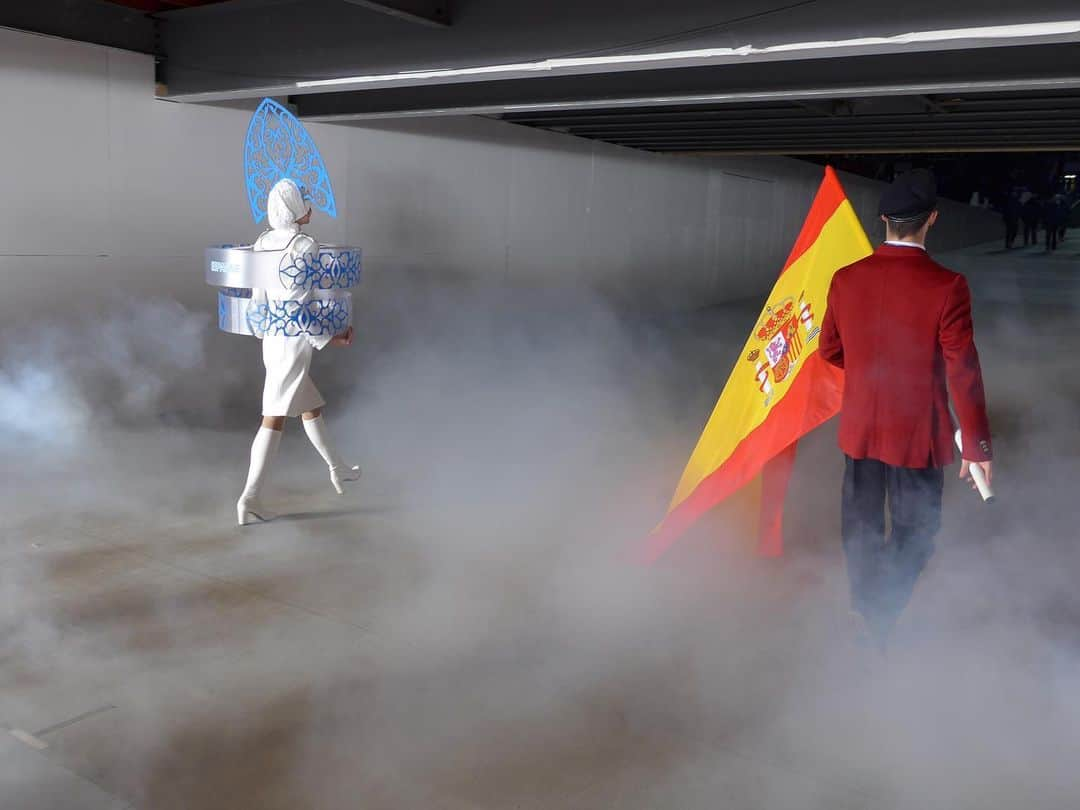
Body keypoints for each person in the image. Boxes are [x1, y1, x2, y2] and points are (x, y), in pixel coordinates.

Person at [819, 169, 993, 646]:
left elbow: (829, 351)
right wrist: (977, 447)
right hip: (918, 435)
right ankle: (882, 612)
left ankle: (864, 608)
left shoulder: (845, 278)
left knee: (860, 525)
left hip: (859, 428)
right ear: (931, 220)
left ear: (882, 220)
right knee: (918, 531)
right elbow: (963, 369)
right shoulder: (948, 285)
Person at [236, 178, 361, 525]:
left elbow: (259, 299)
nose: (310, 206)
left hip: (273, 338)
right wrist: (332, 337)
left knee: (310, 407)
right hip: (293, 340)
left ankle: (338, 468)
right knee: (272, 418)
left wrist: (265, 330)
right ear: (293, 207)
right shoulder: (305, 245)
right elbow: (298, 307)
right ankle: (250, 499)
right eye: (304, 200)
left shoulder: (261, 242)